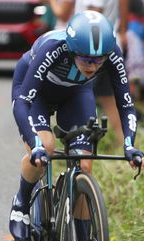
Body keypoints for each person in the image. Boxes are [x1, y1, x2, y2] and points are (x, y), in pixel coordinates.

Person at [9, 11, 144, 241]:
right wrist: (36, 144)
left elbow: (125, 104)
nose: (93, 66)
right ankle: (21, 203)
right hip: (36, 92)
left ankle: (81, 234)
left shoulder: (112, 54)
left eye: (99, 59)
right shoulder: (53, 48)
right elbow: (23, 102)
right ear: (72, 50)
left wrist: (130, 144)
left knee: (85, 165)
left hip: (76, 92)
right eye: (86, 59)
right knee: (47, 147)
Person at [47, 0, 129, 146]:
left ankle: (79, 143)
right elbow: (124, 6)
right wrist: (122, 31)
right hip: (106, 47)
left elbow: (64, 14)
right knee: (108, 99)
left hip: (88, 52)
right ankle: (122, 142)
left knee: (77, 96)